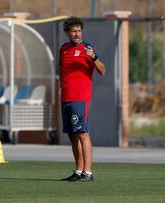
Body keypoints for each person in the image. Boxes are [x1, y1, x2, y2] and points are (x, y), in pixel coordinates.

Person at [59, 17, 106, 182]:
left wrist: (93, 57)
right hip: (66, 98)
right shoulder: (63, 49)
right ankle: (78, 171)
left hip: (81, 98)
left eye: (79, 30)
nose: (77, 34)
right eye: (73, 31)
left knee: (82, 134)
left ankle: (88, 172)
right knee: (72, 135)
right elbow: (61, 70)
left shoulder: (87, 48)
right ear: (68, 32)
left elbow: (102, 70)